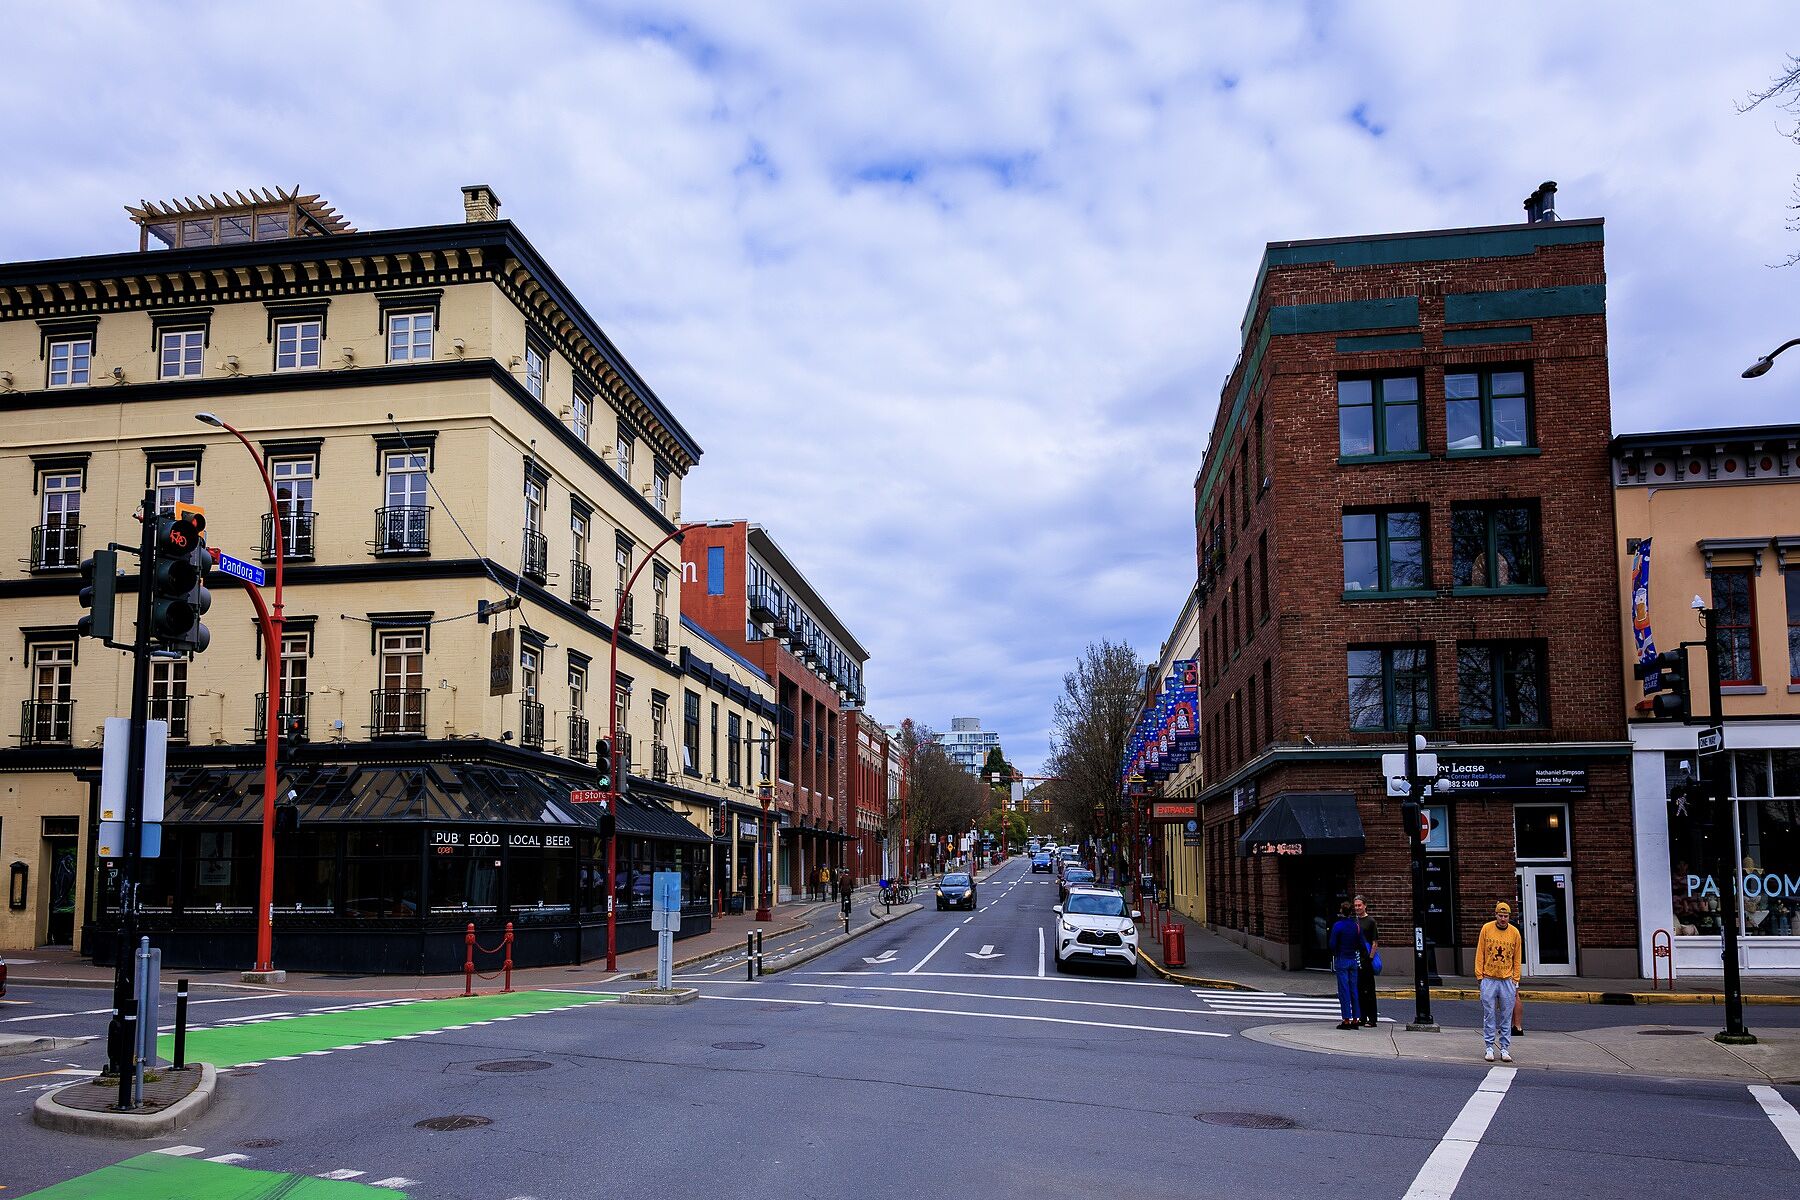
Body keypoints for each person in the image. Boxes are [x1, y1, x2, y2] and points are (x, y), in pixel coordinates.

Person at [1476, 901, 1523, 1062]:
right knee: (1489, 1014)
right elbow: (1480, 952)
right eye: (1500, 915)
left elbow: (1517, 957)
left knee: (1506, 1015)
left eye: (1506, 916)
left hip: (1507, 980)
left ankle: (1504, 1048)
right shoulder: (1487, 929)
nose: (1503, 919)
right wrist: (1480, 977)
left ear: (1509, 917)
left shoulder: (1515, 933)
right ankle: (1489, 1047)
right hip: (1489, 978)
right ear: (1495, 915)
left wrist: (1515, 979)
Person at [1327, 901, 1368, 1030]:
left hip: (1342, 958)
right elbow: (1362, 944)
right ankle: (1356, 1018)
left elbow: (1332, 944)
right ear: (1351, 912)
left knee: (1344, 990)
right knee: (1354, 989)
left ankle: (1346, 1019)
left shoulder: (1338, 926)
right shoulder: (1356, 926)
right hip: (1353, 959)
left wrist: (1336, 952)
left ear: (1341, 911)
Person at [1353, 895, 1380, 1027]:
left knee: (1369, 990)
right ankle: (1362, 1017)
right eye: (1356, 905)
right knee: (1359, 989)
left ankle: (1372, 1018)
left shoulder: (1371, 921)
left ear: (1365, 905)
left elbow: (1375, 942)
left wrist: (1370, 958)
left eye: (1359, 905)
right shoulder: (1354, 921)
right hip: (1356, 959)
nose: (1357, 908)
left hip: (1366, 959)